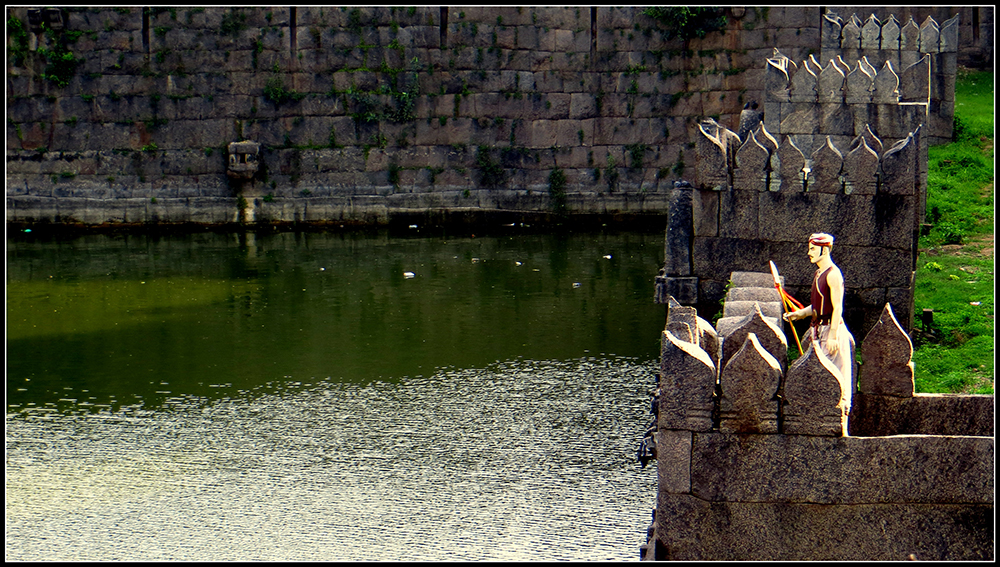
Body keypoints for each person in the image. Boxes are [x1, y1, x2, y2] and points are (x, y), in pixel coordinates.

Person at [783, 233, 855, 387]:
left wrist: (833, 335)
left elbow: (837, 307)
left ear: (825, 250)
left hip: (830, 329)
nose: (810, 253)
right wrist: (800, 314)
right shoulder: (818, 273)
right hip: (818, 329)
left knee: (831, 378)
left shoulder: (833, 274)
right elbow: (819, 305)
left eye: (813, 249)